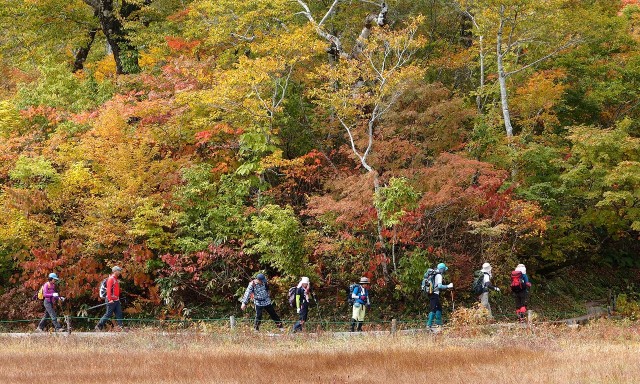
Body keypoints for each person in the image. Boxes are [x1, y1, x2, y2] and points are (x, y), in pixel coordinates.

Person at [95, 266, 124, 332]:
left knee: (119, 313)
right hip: (111, 300)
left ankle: (121, 327)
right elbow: (108, 290)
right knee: (108, 314)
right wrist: (110, 299)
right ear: (115, 271)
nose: (120, 272)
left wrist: (117, 298)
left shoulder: (116, 279)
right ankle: (99, 326)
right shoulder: (111, 279)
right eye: (119, 271)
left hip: (116, 300)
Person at [426, 263, 454, 329]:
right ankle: (429, 325)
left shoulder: (434, 274)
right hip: (434, 294)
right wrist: (448, 286)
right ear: (442, 269)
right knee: (433, 308)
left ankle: (438, 323)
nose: (444, 271)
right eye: (444, 269)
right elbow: (439, 286)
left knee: (439, 308)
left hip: (432, 293)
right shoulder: (439, 275)